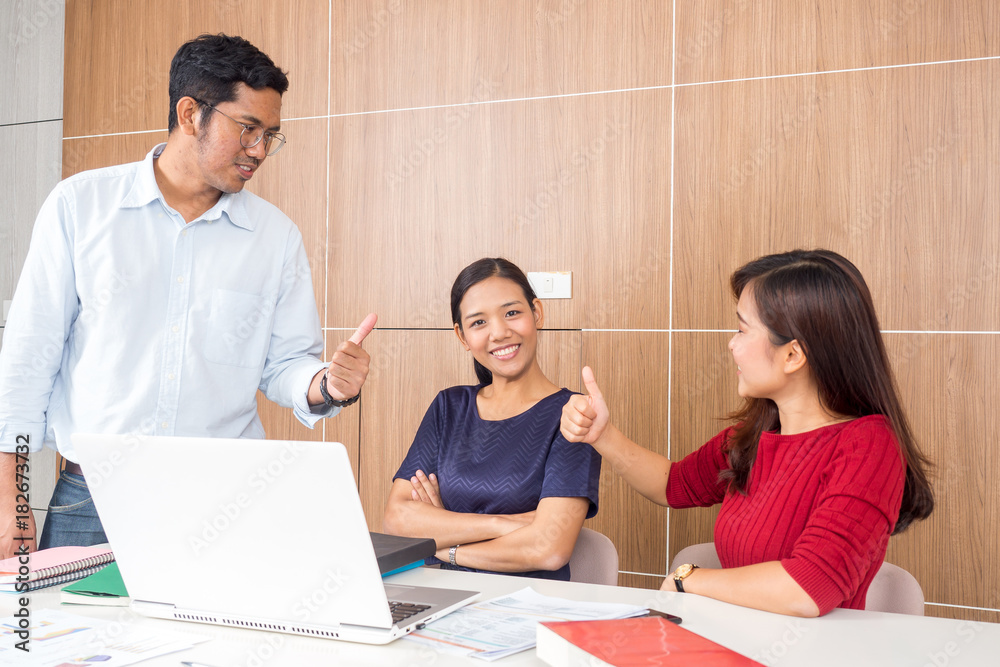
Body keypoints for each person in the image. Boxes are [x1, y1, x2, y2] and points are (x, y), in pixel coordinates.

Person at [0, 34, 376, 559]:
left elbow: (285, 364)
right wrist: (9, 499)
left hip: (223, 503)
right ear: (189, 113)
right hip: (93, 502)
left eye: (271, 136)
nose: (259, 151)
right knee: (67, 641)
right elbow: (27, 361)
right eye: (248, 129)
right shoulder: (79, 208)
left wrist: (325, 385)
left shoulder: (275, 238)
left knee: (219, 643)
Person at [561, 249, 934, 616]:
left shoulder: (869, 446)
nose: (731, 344)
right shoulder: (756, 435)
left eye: (741, 330)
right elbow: (671, 484)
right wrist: (602, 435)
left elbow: (808, 588)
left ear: (793, 355)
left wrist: (688, 579)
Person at [382, 258, 601, 580]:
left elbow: (548, 548)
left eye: (512, 312)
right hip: (443, 597)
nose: (499, 332)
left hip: (529, 608)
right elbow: (397, 519)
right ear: (462, 336)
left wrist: (445, 542)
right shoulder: (449, 407)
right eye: (478, 323)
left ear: (536, 313)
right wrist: (504, 524)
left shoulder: (573, 416)